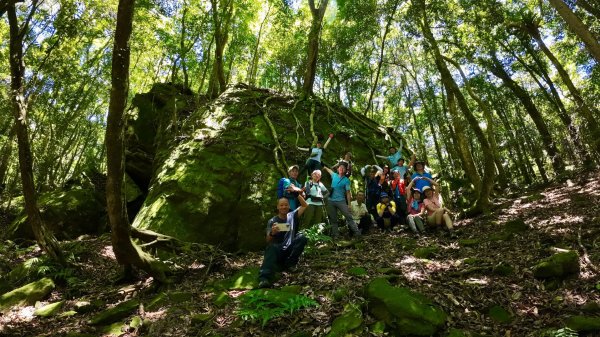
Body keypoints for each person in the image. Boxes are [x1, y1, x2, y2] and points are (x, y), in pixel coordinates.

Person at [258, 196, 309, 288]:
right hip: (278, 250)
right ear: (278, 207)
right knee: (271, 247)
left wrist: (296, 194)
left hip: (290, 248)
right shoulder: (272, 221)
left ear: (289, 206)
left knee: (302, 237)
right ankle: (264, 278)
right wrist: (273, 233)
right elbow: (267, 240)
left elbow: (305, 205)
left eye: (286, 205)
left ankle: (290, 264)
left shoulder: (292, 215)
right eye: (281, 205)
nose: (284, 207)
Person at [323, 162, 361, 239]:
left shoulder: (346, 180)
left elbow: (347, 193)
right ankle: (335, 235)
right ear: (338, 169)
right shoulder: (334, 175)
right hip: (331, 200)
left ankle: (357, 233)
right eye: (340, 167)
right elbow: (328, 170)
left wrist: (349, 204)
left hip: (341, 201)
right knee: (333, 219)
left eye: (343, 168)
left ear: (345, 170)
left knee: (348, 217)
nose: (341, 169)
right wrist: (324, 167)